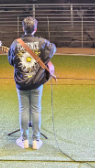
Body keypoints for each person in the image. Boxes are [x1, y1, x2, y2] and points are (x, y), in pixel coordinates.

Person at [7, 17, 56, 150]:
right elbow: (53, 49)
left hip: (21, 82)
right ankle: (36, 140)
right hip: (37, 82)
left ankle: (24, 140)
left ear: (23, 28)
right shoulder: (42, 42)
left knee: (23, 109)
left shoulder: (15, 43)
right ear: (35, 29)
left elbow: (11, 61)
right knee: (36, 109)